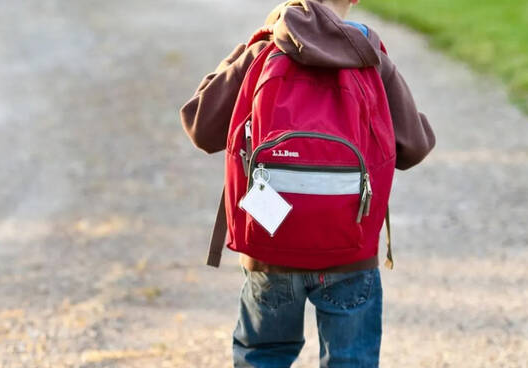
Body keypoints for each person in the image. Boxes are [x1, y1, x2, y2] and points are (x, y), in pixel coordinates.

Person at [180, 0, 435, 366]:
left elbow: (201, 127)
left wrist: (240, 54)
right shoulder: (370, 55)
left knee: (263, 356)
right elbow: (414, 148)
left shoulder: (263, 49)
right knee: (351, 359)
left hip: (270, 244)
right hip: (350, 249)